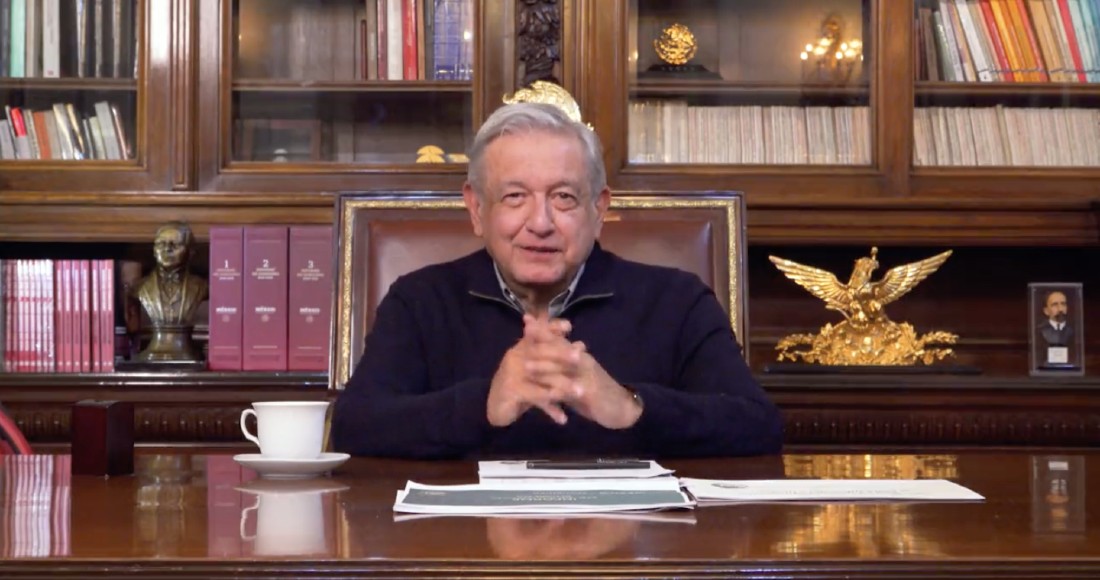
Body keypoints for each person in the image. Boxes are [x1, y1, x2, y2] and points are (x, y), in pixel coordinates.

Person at [330, 102, 783, 459]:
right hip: (467, 545)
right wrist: (485, 404)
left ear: (598, 209)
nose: (540, 223)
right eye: (515, 197)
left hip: (626, 543)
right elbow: (354, 426)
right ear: (477, 209)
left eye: (564, 197)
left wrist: (630, 407)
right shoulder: (419, 300)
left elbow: (758, 426)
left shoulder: (678, 301)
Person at [134, 221, 208, 326]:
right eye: (161, 244)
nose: (167, 249)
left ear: (190, 252)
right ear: (154, 251)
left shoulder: (203, 287)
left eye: (175, 244)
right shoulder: (139, 287)